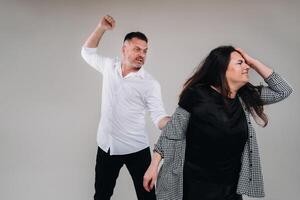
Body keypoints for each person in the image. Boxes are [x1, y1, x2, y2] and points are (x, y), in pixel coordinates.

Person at [143, 46, 293, 200]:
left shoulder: (245, 97)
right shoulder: (197, 95)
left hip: (230, 189)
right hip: (194, 186)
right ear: (222, 69)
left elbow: (283, 90)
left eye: (246, 63)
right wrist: (153, 166)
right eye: (240, 63)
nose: (246, 66)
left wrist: (253, 62)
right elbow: (171, 133)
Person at [81, 15, 170, 200]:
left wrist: (172, 122)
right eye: (137, 49)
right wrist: (101, 28)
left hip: (136, 149)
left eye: (145, 51)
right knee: (102, 196)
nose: (142, 55)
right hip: (106, 147)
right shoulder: (109, 66)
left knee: (148, 198)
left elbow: (158, 117)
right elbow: (87, 53)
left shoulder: (150, 84)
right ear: (124, 49)